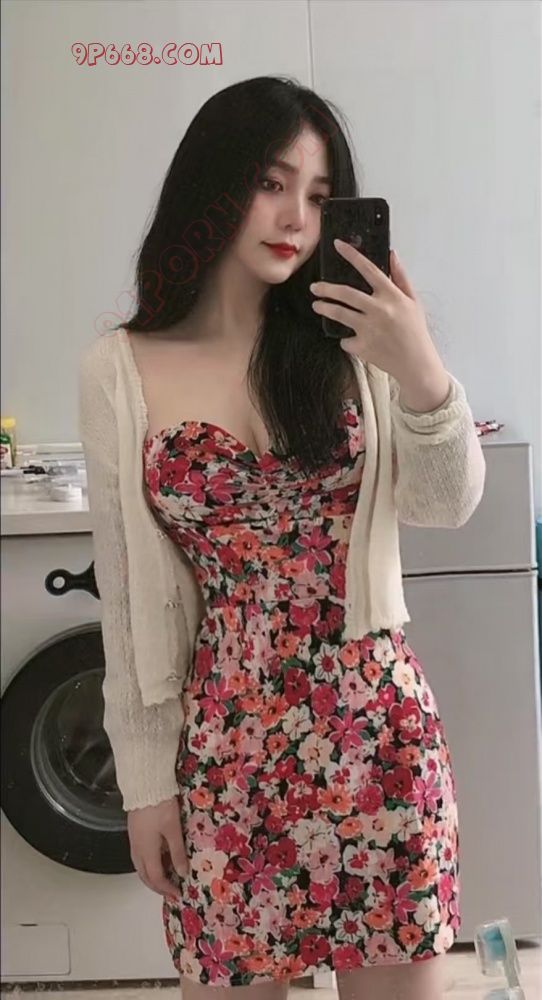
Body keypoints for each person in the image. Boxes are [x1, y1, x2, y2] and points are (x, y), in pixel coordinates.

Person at [78, 75, 486, 1000]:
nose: (295, 217)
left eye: (317, 192)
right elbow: (128, 602)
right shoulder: (119, 369)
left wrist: (421, 369)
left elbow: (446, 503)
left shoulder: (352, 342)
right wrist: (144, 785)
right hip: (225, 748)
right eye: (271, 182)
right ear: (212, 184)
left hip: (377, 733)